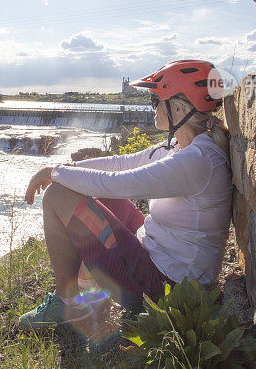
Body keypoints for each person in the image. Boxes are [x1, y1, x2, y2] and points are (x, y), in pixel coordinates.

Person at [19, 59, 232, 329]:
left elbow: (119, 182)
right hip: (160, 257)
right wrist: (65, 169)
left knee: (57, 196)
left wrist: (55, 174)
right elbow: (122, 163)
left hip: (170, 289)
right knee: (77, 187)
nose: (151, 106)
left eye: (156, 100)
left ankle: (67, 305)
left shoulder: (197, 160)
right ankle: (83, 292)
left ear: (178, 108)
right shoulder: (182, 147)